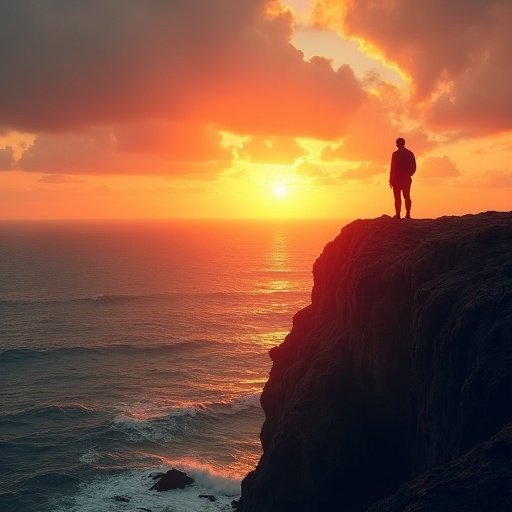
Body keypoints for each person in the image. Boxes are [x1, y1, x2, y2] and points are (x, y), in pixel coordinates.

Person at [389, 137, 416, 219]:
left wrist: (390, 179)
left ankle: (398, 214)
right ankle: (408, 214)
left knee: (397, 197)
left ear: (397, 144)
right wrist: (410, 173)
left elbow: (392, 168)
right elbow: (414, 166)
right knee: (407, 196)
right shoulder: (410, 153)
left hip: (396, 178)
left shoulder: (395, 154)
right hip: (406, 178)